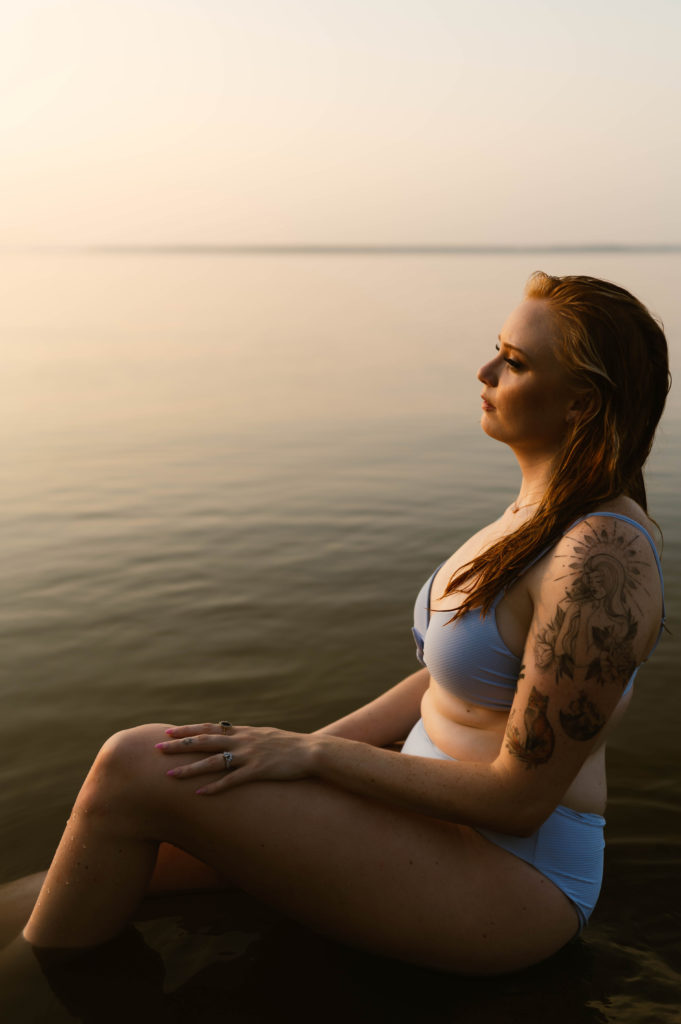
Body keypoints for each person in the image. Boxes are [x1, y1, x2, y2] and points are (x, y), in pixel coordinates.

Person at [13, 273, 671, 975]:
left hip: (511, 878)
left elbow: (519, 799)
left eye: (513, 362)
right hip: (421, 819)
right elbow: (447, 685)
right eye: (496, 351)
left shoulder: (599, 560)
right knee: (52, 876)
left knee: (133, 764)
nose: (483, 372)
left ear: (579, 402)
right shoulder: (532, 518)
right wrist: (290, 750)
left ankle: (32, 998)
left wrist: (315, 761)